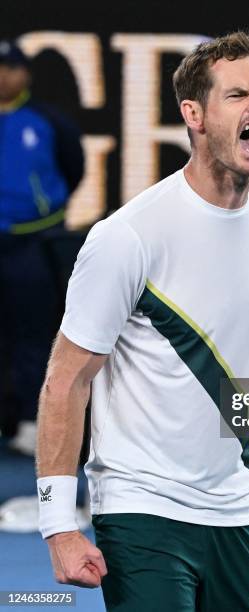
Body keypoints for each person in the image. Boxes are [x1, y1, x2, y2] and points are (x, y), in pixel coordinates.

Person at [36, 32, 249, 611]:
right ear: (193, 114)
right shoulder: (127, 236)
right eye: (238, 94)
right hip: (144, 510)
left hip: (243, 510)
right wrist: (58, 524)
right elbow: (67, 379)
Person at [0, 40, 84, 455]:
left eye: (9, 67)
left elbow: (75, 167)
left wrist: (40, 211)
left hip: (33, 243)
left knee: (34, 335)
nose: (2, 75)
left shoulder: (48, 121)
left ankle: (32, 423)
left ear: (24, 74)